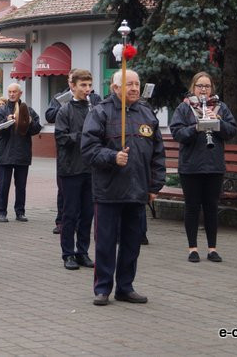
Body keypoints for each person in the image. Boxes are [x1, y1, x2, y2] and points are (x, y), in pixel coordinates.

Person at [82, 69, 165, 306]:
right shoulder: (101, 112)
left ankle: (125, 287)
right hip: (109, 190)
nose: (135, 88)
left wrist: (155, 185)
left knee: (132, 243)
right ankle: (103, 288)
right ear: (115, 88)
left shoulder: (146, 113)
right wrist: (112, 156)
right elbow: (88, 149)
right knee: (106, 242)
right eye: (129, 84)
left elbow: (158, 153)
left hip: (137, 188)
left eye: (137, 84)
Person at [169, 71, 237, 263]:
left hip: (214, 165)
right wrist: (196, 128)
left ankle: (212, 249)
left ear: (211, 88)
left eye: (207, 86)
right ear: (193, 87)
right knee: (192, 207)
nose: (203, 90)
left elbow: (232, 131)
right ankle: (193, 249)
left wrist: (218, 122)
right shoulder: (184, 107)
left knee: (211, 208)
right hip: (191, 166)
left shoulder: (221, 107)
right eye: (200, 86)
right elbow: (177, 133)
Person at [54, 69, 96, 270]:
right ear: (73, 86)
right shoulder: (65, 111)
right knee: (70, 213)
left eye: (89, 85)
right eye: (83, 85)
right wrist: (82, 136)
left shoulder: (94, 109)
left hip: (91, 169)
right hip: (71, 169)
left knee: (87, 213)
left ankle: (82, 252)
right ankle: (68, 254)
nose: (87, 89)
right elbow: (61, 138)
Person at [0, 83, 42, 222]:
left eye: (14, 92)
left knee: (21, 186)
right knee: (3, 186)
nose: (12, 94)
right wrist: (6, 120)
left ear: (20, 93)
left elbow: (37, 128)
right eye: (10, 92)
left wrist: (29, 122)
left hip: (22, 153)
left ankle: (20, 212)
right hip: (5, 153)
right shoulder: (1, 110)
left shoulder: (28, 110)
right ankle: (2, 213)